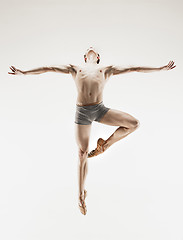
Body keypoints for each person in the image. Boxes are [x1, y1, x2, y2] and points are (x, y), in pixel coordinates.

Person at [8, 47, 176, 215]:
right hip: (82, 113)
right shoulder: (75, 68)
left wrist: (160, 68)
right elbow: (48, 68)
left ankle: (105, 145)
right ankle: (80, 195)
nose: (91, 49)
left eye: (94, 50)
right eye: (88, 50)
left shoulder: (107, 69)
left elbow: (135, 68)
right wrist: (24, 73)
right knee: (82, 154)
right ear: (84, 57)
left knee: (134, 123)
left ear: (98, 57)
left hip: (100, 109)